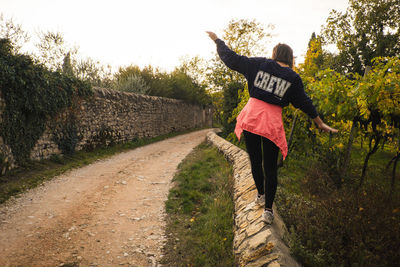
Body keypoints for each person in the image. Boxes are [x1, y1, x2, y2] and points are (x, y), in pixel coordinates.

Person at [206, 31, 338, 224]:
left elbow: (232, 59)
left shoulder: (259, 64)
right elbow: (304, 102)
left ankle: (260, 195)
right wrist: (319, 122)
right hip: (271, 122)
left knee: (255, 160)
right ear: (290, 58)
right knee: (270, 167)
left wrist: (218, 41)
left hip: (252, 116)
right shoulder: (293, 78)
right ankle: (268, 210)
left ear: (275, 54)